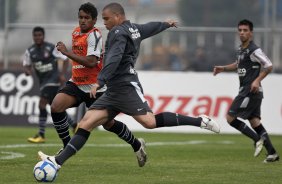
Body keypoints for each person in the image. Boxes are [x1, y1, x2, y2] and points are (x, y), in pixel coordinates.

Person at [38, 2, 220, 172]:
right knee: (86, 123)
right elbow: (149, 28)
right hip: (114, 90)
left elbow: (114, 59)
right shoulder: (133, 29)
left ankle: (200, 121)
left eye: (106, 18)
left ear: (117, 16)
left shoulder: (117, 33)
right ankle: (57, 162)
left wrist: (100, 81)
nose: (105, 23)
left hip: (126, 86)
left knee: (150, 122)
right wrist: (165, 24)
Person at [50, 2, 147, 167]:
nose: (82, 21)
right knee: (56, 106)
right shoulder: (75, 32)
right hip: (77, 83)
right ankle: (67, 146)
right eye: (80, 17)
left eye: (87, 18)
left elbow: (91, 62)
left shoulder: (95, 35)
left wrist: (67, 52)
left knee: (108, 124)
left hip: (97, 87)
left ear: (95, 21)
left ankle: (137, 144)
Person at [213, 19, 279, 163]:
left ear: (251, 33)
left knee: (230, 118)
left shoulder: (254, 50)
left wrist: (257, 80)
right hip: (252, 92)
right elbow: (238, 64)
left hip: (249, 90)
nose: (242, 33)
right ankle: (272, 153)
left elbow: (268, 65)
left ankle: (257, 140)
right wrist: (223, 68)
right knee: (255, 122)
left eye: (245, 30)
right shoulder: (240, 49)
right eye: (240, 30)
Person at [23, 26, 75, 143]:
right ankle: (74, 125)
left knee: (42, 104)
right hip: (43, 82)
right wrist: (27, 70)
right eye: (35, 35)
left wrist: (62, 74)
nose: (37, 37)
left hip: (53, 80)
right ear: (33, 37)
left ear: (43, 36)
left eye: (39, 35)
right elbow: (26, 64)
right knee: (56, 106)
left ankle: (41, 134)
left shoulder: (50, 48)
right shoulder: (30, 51)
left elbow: (65, 59)